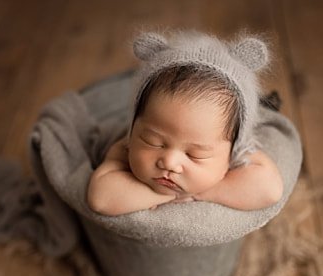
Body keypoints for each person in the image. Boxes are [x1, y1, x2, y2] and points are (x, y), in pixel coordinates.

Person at [88, 31, 283, 216]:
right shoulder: (124, 148)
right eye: (153, 141)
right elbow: (101, 198)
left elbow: (270, 190)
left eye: (195, 154)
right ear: (133, 128)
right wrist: (170, 196)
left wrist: (203, 192)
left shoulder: (238, 155)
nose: (170, 163)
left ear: (233, 151)